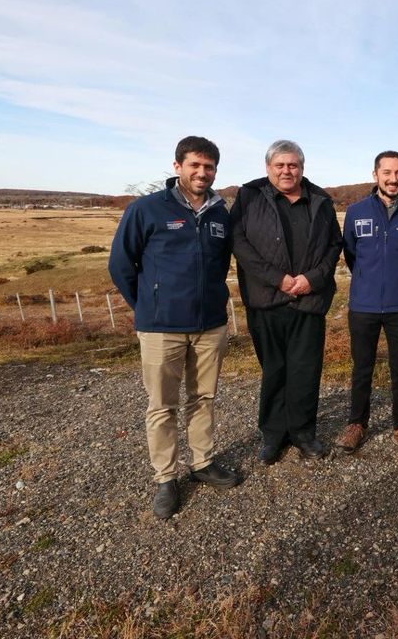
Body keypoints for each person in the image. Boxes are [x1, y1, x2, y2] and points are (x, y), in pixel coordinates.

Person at [109, 135, 240, 520]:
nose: (202, 173)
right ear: (177, 166)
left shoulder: (220, 214)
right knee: (162, 405)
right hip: (160, 328)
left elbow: (221, 265)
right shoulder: (146, 209)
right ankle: (166, 478)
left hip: (210, 325)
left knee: (204, 398)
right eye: (194, 165)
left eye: (209, 167)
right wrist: (148, 305)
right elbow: (120, 265)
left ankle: (202, 463)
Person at [230, 140, 343, 463]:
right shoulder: (249, 196)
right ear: (268, 168)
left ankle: (303, 433)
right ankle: (273, 435)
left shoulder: (320, 199)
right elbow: (239, 242)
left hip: (309, 299)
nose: (286, 171)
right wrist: (277, 278)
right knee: (274, 370)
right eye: (279, 165)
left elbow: (334, 245)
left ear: (302, 168)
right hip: (266, 299)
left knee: (305, 371)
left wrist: (312, 279)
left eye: (293, 165)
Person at [335, 150, 398, 459]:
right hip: (363, 305)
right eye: (387, 172)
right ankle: (357, 423)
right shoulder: (356, 212)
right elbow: (351, 254)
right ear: (375, 175)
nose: (393, 178)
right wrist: (370, 279)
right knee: (362, 367)